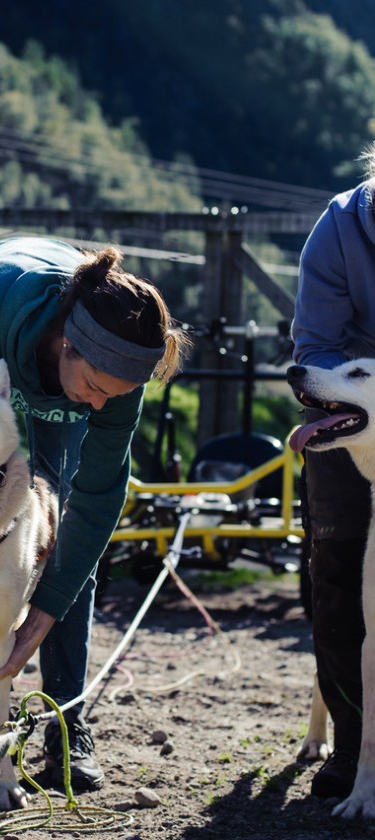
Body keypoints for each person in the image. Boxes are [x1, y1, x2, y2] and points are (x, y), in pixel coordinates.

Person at [0, 236, 190, 790]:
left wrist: (45, 611)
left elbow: (99, 500)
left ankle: (67, 725)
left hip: (55, 401)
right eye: (99, 388)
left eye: (115, 395)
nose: (103, 403)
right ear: (68, 347)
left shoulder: (111, 382)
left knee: (64, 538)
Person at [291, 149, 375, 799]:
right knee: (339, 574)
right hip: (351, 410)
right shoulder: (341, 226)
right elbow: (314, 351)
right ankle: (352, 745)